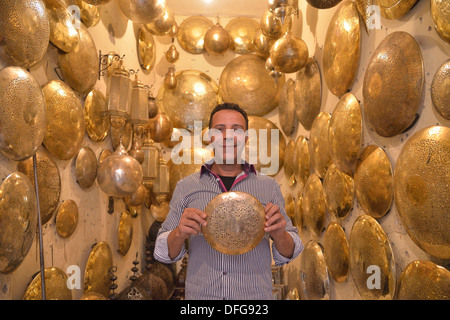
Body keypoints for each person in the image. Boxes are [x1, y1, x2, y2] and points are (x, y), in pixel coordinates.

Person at [154, 102, 303, 300]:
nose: (228, 136)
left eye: (237, 129)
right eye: (220, 129)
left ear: (246, 138)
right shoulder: (186, 186)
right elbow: (163, 253)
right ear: (210, 137)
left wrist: (280, 234)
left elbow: (289, 252)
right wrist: (179, 233)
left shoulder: (269, 187)